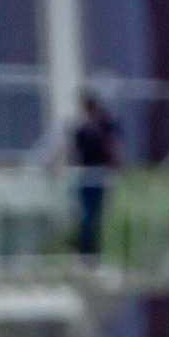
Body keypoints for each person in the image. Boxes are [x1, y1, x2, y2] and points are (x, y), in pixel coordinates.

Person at [71, 91, 120, 257]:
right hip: (87, 176)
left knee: (101, 215)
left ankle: (100, 250)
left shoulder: (103, 126)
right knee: (86, 215)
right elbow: (76, 151)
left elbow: (112, 145)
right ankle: (86, 251)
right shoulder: (82, 129)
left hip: (100, 175)